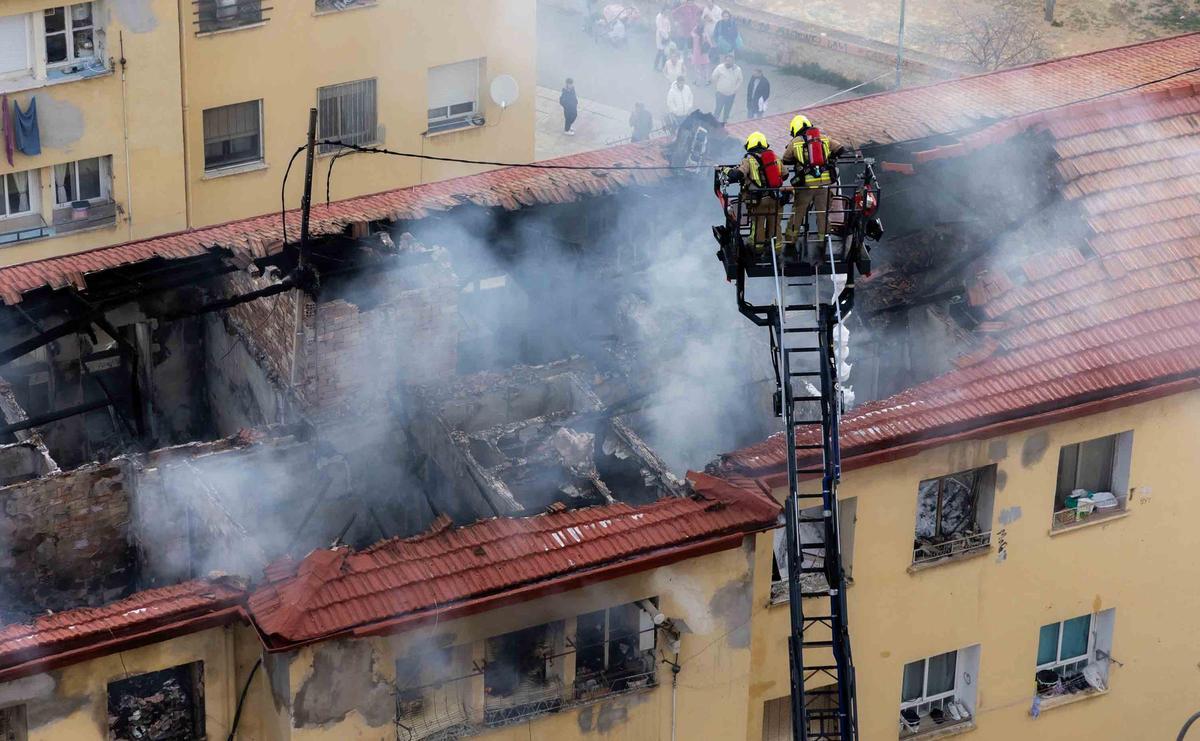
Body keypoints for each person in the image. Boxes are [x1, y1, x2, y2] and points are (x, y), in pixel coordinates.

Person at [781, 114, 846, 252]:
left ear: (795, 128)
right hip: (824, 185)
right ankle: (823, 242)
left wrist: (800, 161)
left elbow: (785, 160)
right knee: (823, 214)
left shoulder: (796, 142)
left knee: (797, 215)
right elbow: (841, 150)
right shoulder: (823, 138)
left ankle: (790, 244)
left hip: (806, 187)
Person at [726, 131, 784, 251]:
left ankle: (758, 249)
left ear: (749, 145)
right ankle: (777, 249)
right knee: (775, 225)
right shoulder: (775, 158)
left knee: (758, 225)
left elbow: (738, 174)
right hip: (776, 199)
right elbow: (785, 174)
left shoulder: (749, 159)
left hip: (758, 201)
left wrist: (726, 170)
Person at [710, 54, 742, 123]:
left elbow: (740, 80)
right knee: (718, 109)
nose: (728, 62)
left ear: (733, 61)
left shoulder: (737, 69)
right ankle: (714, 124)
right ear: (724, 60)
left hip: (731, 94)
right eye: (727, 60)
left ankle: (725, 123)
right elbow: (713, 77)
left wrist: (736, 89)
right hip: (720, 93)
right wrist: (718, 86)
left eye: (730, 61)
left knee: (727, 110)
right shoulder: (720, 67)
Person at [654, 5, 672, 70]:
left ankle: (663, 66)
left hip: (667, 36)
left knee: (665, 52)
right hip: (660, 36)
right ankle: (655, 66)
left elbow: (669, 25)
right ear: (663, 10)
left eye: (668, 10)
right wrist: (665, 36)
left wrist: (669, 34)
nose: (667, 12)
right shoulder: (659, 17)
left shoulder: (666, 16)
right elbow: (660, 28)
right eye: (666, 10)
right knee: (660, 51)